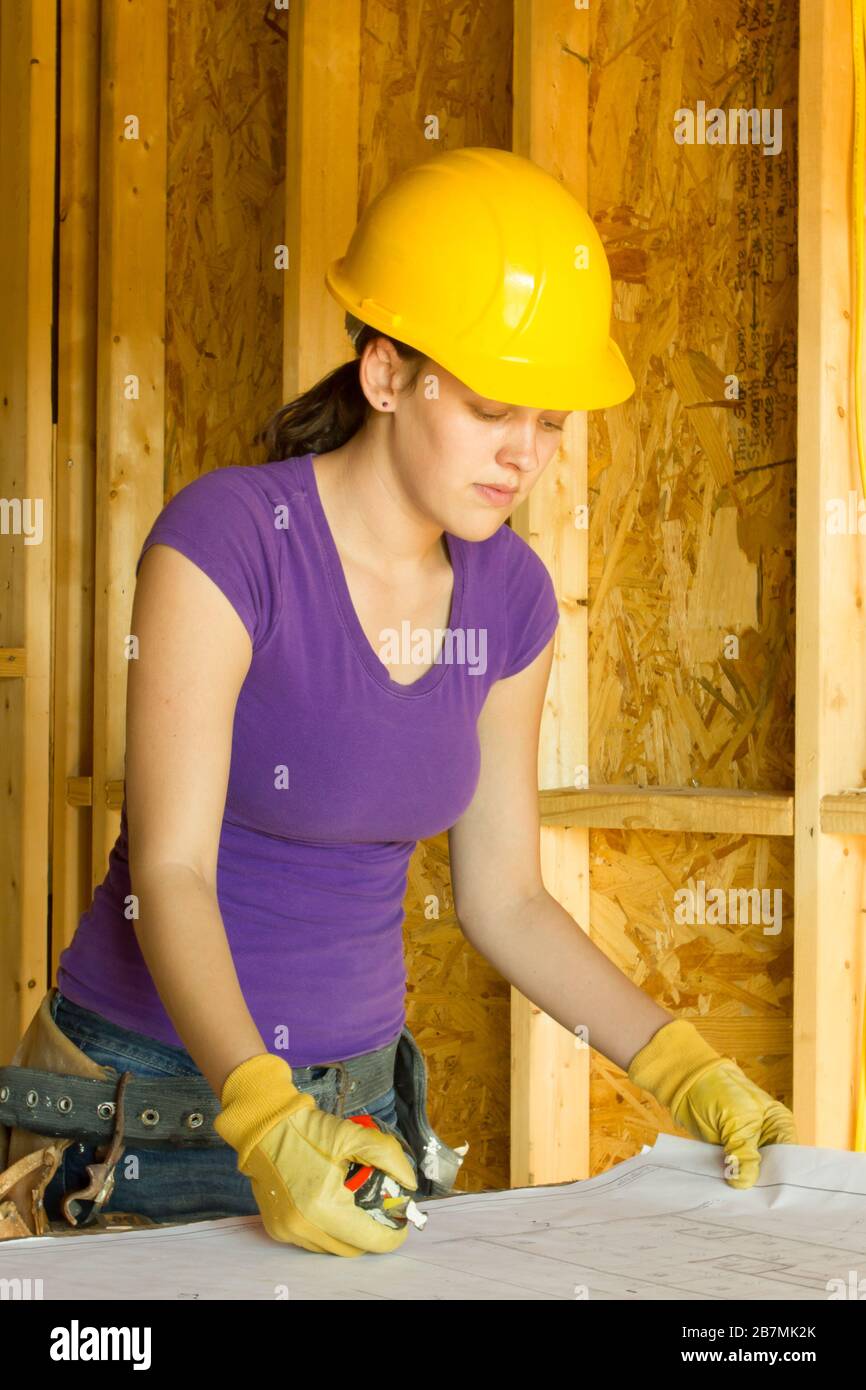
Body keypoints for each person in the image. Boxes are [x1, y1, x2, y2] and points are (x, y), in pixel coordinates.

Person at [2, 147, 795, 1256]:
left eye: (551, 421)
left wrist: (681, 1065)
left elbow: (505, 898)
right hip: (149, 1110)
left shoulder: (510, 596)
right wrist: (264, 1116)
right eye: (488, 408)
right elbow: (169, 869)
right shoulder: (229, 540)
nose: (524, 454)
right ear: (384, 375)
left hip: (368, 1114)